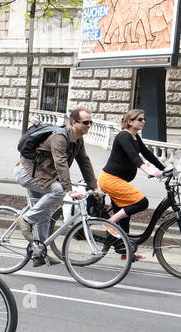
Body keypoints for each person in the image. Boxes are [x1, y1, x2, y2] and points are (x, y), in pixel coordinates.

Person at [14, 108, 99, 267]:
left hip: (42, 175)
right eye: (86, 122)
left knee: (45, 213)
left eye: (91, 122)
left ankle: (39, 252)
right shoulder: (59, 137)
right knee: (58, 191)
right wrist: (68, 189)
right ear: (74, 123)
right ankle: (25, 219)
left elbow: (85, 162)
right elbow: (61, 162)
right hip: (27, 172)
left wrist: (94, 187)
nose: (89, 125)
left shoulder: (78, 140)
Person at [99, 108, 165, 259]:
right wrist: (147, 171)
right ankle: (109, 222)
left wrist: (165, 168)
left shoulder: (135, 137)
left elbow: (148, 154)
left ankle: (125, 252)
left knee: (124, 217)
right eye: (140, 119)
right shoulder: (123, 136)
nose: (144, 122)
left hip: (118, 180)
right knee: (142, 202)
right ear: (129, 121)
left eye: (144, 119)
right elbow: (134, 156)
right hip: (110, 179)